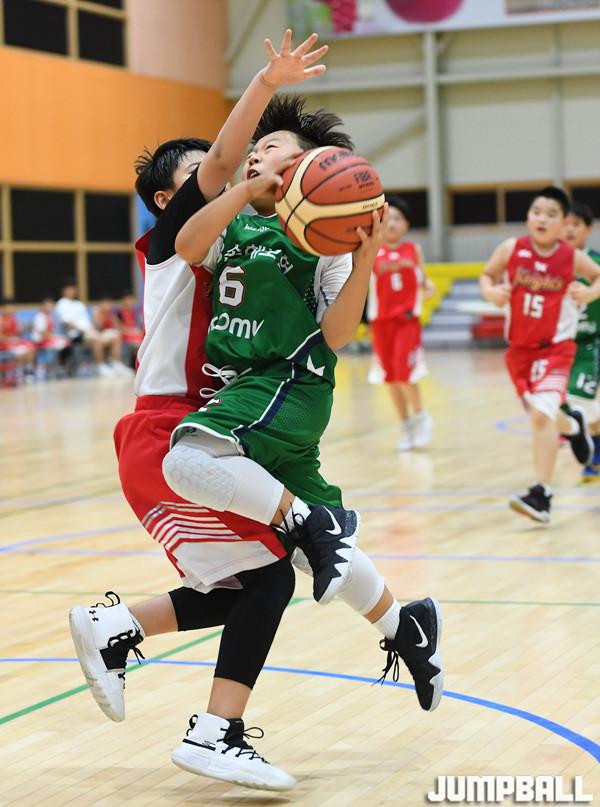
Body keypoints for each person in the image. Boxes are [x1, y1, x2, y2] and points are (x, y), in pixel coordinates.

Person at [71, 34, 443, 793]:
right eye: (213, 167)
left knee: (275, 572)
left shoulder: (281, 234)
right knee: (273, 576)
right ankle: (214, 728)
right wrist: (266, 90)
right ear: (172, 199)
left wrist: (345, 236)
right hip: (176, 424)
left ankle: (403, 625)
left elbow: (331, 316)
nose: (239, 161)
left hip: (233, 413)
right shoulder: (185, 236)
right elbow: (220, 168)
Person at [480, 186, 600, 523]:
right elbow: (487, 275)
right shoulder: (511, 249)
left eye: (551, 214)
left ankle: (541, 494)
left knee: (539, 417)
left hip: (556, 349)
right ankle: (574, 426)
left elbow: (597, 277)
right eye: (537, 212)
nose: (542, 219)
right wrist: (492, 291)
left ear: (562, 222)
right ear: (528, 217)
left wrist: (589, 292)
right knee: (544, 416)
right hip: (520, 353)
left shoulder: (570, 257)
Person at [367, 195, 435, 450]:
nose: (392, 223)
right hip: (381, 322)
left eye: (398, 218)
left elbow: (425, 281)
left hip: (407, 322)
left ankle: (421, 417)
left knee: (405, 374)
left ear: (406, 224)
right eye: (388, 218)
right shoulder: (371, 250)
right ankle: (405, 426)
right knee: (390, 377)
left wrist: (429, 288)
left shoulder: (413, 250)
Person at [563, 202, 600, 482]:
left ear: (588, 229)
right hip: (562, 344)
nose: (569, 230)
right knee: (567, 401)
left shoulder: (595, 262)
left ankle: (593, 453)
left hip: (593, 341)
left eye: (576, 225)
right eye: (565, 224)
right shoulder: (551, 264)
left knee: (586, 401)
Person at [55, 281, 127, 377]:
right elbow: (66, 322)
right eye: (69, 289)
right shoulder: (61, 304)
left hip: (90, 332)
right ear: (64, 291)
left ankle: (117, 364)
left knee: (115, 334)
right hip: (75, 335)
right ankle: (101, 366)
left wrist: (95, 324)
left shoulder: (79, 304)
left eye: (73, 289)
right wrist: (83, 329)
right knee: (95, 337)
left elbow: (87, 321)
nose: (72, 291)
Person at [31, 298, 71, 376]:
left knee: (68, 343)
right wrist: (57, 337)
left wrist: (58, 337)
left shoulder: (50, 317)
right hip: (40, 341)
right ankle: (59, 366)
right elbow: (44, 334)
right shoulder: (39, 317)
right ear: (42, 306)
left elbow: (51, 332)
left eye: (51, 305)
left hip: (49, 339)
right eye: (47, 305)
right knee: (62, 343)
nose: (49, 307)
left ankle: (62, 365)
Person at [0, 298, 36, 381]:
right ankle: (19, 372)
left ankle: (28, 370)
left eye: (12, 307)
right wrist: (10, 339)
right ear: (4, 308)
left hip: (13, 342)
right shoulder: (1, 319)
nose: (11, 309)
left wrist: (21, 329)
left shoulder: (14, 318)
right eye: (8, 307)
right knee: (22, 352)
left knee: (30, 347)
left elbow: (18, 333)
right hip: (4, 344)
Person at [116, 291, 143, 367]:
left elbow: (138, 327)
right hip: (125, 337)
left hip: (135, 335)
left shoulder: (134, 312)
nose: (129, 302)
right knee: (138, 345)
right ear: (123, 301)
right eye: (127, 300)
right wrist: (132, 331)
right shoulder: (119, 313)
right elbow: (120, 328)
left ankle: (140, 365)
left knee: (143, 343)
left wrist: (136, 331)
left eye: (130, 300)